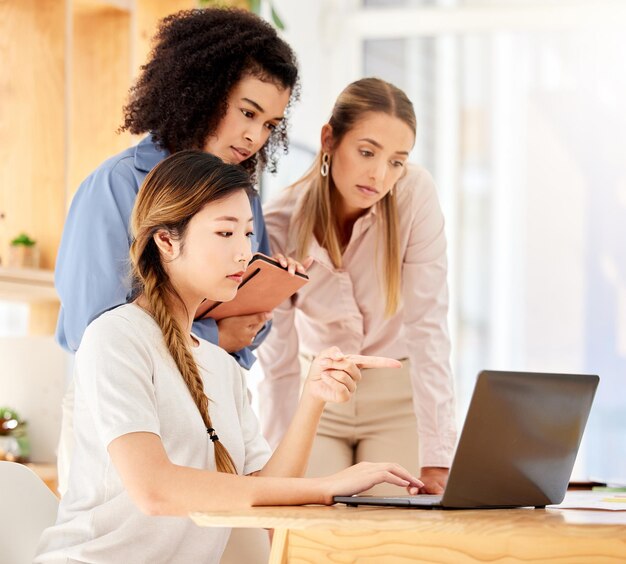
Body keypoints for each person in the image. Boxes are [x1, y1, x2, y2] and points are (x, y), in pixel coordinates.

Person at [34, 151, 422, 563]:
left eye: (248, 234)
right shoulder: (115, 338)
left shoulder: (222, 366)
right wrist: (328, 486)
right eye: (225, 233)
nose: (244, 252)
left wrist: (313, 398)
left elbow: (265, 492)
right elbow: (154, 490)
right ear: (166, 240)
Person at [53, 8, 304, 497]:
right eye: (247, 112)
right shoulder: (117, 184)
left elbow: (244, 320)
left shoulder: (241, 193)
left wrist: (260, 302)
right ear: (203, 93)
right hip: (123, 416)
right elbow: (98, 329)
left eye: (270, 124)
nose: (255, 137)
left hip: (209, 403)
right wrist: (215, 335)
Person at [257, 77, 457, 495]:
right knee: (315, 536)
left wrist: (439, 454)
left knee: (392, 544)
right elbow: (279, 359)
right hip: (318, 402)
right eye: (367, 152)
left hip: (398, 402)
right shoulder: (279, 224)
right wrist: (273, 461)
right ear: (329, 139)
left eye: (397, 161)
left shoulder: (413, 196)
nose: (380, 174)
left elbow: (428, 326)